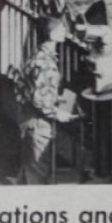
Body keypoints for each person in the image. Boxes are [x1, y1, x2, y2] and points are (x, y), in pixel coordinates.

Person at [15, 15, 74, 184]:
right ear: (53, 35)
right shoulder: (46, 63)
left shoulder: (34, 57)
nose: (65, 31)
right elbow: (40, 100)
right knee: (38, 173)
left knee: (27, 172)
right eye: (61, 28)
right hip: (38, 123)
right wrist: (58, 113)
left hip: (27, 119)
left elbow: (20, 87)